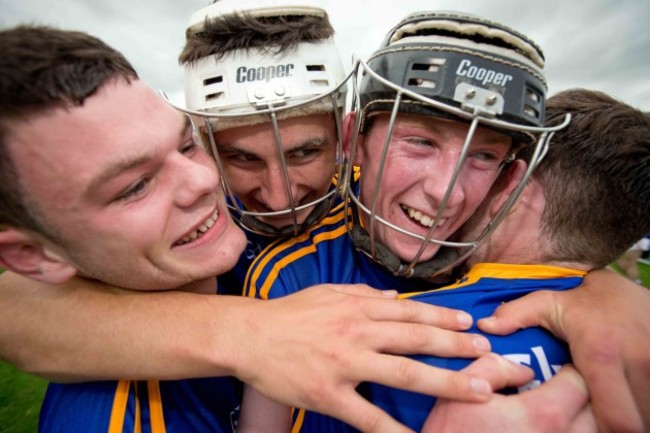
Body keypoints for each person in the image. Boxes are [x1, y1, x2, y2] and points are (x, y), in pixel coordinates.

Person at [0, 24, 500, 433]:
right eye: (133, 187)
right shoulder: (111, 406)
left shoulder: (368, 196)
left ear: (346, 140)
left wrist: (577, 293)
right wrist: (257, 332)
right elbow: (15, 309)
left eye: (307, 151)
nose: (282, 199)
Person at [241, 11, 650, 433]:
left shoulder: (520, 268)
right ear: (355, 141)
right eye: (420, 142)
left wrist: (607, 290)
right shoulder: (291, 273)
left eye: (484, 156)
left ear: (510, 178)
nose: (447, 192)